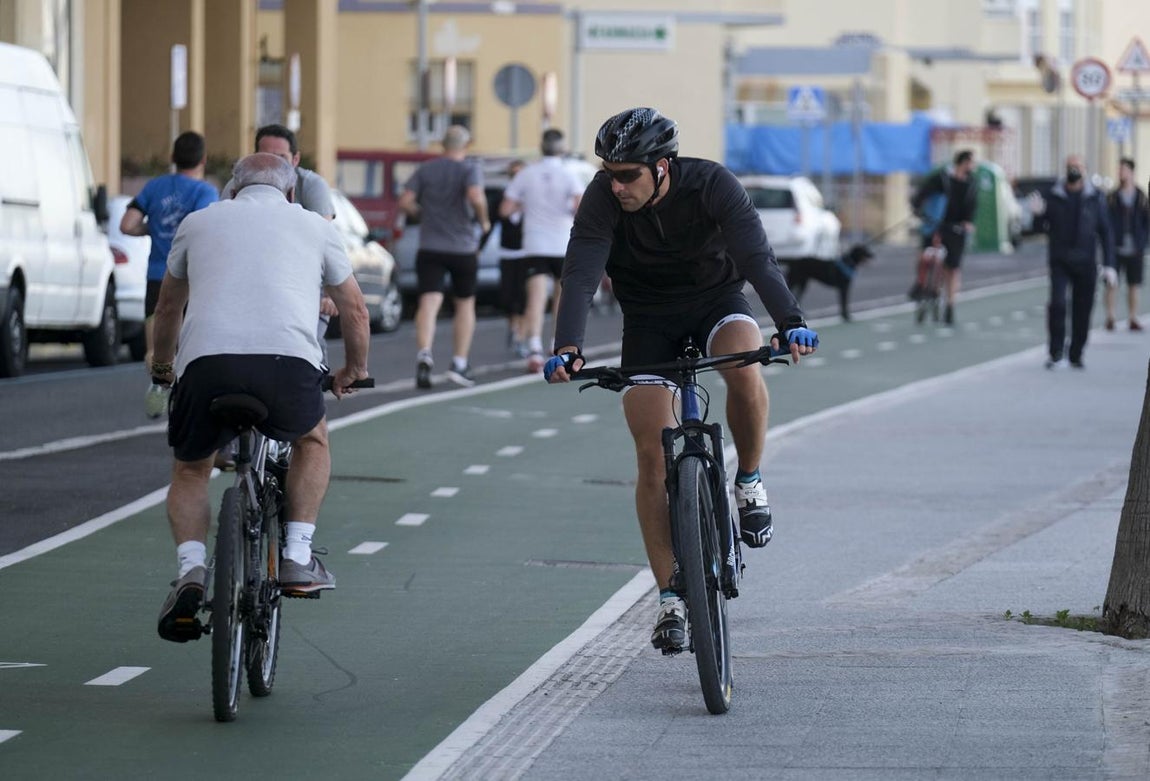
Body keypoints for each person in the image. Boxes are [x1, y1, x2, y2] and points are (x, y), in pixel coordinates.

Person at [542, 108, 818, 653]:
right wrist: (567, 346)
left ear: (662, 167)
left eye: (628, 175)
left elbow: (756, 258)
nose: (616, 185)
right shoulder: (602, 197)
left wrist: (791, 322)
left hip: (717, 300)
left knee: (743, 364)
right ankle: (670, 596)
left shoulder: (713, 184)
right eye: (609, 173)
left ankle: (749, 479)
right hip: (648, 319)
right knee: (650, 453)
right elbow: (581, 271)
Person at [149, 153, 371, 642]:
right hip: (286, 365)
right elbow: (355, 310)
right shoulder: (316, 226)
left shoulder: (197, 222)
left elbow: (167, 307)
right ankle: (296, 554)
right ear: (291, 193)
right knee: (311, 441)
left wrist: (163, 368)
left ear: (231, 190)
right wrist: (354, 370)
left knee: (191, 468)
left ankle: (191, 570)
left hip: (206, 365)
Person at [218, 123, 339, 360]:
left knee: (307, 350)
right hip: (253, 283)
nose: (273, 164)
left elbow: (323, 242)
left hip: (303, 284)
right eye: (266, 156)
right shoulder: (236, 186)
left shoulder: (311, 185)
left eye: (281, 158)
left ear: (295, 160)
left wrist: (329, 293)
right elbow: (224, 235)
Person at [119, 131, 218, 418]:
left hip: (156, 278)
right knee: (192, 343)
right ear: (203, 159)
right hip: (191, 279)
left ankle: (159, 384)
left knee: (158, 344)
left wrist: (152, 228)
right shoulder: (205, 193)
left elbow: (127, 224)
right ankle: (187, 395)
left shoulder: (155, 187)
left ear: (173, 157)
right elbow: (204, 231)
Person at [397, 125, 490, 389]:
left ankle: (424, 354)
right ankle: (459, 363)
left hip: (430, 246)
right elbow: (475, 196)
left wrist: (422, 214)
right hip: (463, 247)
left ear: (443, 145)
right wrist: (483, 220)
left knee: (429, 302)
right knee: (464, 304)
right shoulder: (470, 169)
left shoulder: (426, 169)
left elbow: (404, 201)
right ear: (466, 145)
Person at [500, 129, 585, 373]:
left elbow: (505, 209)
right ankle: (554, 344)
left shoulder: (526, 173)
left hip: (535, 244)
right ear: (563, 148)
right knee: (561, 298)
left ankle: (534, 348)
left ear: (541, 146)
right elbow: (580, 207)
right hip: (562, 242)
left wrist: (526, 204)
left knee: (535, 297)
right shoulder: (569, 174)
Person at [1030, 154, 1115, 369]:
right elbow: (1039, 228)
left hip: (1086, 261)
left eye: (1077, 166)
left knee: (1083, 308)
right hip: (1060, 260)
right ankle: (1056, 352)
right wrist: (1037, 214)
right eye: (1070, 166)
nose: (1073, 170)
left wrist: (1109, 264)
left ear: (1085, 170)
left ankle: (1076, 352)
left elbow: (1105, 231)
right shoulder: (1053, 195)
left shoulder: (1095, 197)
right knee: (1058, 304)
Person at [910, 149, 978, 324]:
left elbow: (972, 204)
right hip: (936, 225)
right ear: (964, 162)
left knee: (952, 268)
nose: (973, 166)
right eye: (971, 162)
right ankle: (920, 285)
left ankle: (950, 305)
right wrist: (918, 209)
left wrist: (968, 222)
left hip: (957, 228)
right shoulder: (942, 178)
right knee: (924, 255)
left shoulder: (971, 182)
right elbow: (923, 192)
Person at [1104, 158, 1148, 331]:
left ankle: (1132, 317)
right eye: (1119, 170)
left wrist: (1143, 241)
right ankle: (1110, 317)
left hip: (1135, 247)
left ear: (1131, 172)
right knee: (1111, 283)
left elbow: (1146, 221)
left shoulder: (1141, 197)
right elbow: (1106, 221)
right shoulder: (1112, 197)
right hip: (1115, 247)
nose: (1121, 173)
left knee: (1134, 284)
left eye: (1123, 170)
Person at [496, 159, 529, 356]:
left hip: (528, 252)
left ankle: (521, 337)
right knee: (508, 297)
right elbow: (495, 218)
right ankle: (513, 327)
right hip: (507, 252)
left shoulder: (532, 196)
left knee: (524, 297)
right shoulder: (504, 196)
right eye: (513, 174)